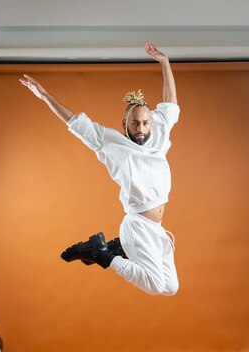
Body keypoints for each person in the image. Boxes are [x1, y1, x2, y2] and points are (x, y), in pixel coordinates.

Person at [19, 41, 179, 296]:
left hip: (156, 229)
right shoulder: (111, 142)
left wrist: (165, 62)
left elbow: (171, 102)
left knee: (171, 288)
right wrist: (44, 95)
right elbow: (75, 122)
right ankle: (101, 254)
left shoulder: (158, 130)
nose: (141, 128)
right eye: (135, 123)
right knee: (156, 285)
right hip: (137, 225)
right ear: (125, 124)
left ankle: (120, 249)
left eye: (145, 123)